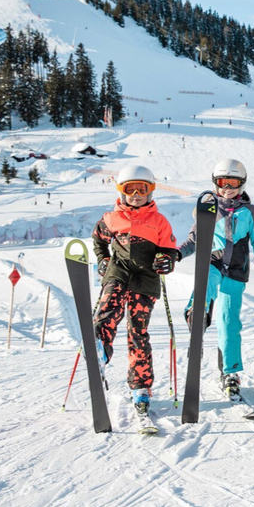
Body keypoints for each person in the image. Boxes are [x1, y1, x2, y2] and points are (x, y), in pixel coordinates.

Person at [178, 159, 254, 397]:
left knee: (229, 323)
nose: (227, 188)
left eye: (233, 182)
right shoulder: (207, 208)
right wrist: (176, 254)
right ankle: (197, 316)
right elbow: (194, 240)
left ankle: (230, 372)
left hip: (236, 271)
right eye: (223, 182)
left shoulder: (250, 213)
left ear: (242, 183)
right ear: (215, 183)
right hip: (211, 263)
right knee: (206, 287)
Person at [92, 164, 179, 414]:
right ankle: (99, 346)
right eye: (131, 189)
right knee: (109, 307)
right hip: (118, 270)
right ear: (122, 191)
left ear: (150, 191)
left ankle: (141, 385)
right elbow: (98, 238)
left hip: (146, 277)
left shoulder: (159, 221)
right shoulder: (111, 218)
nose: (136, 194)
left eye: (142, 189)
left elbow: (169, 251)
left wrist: (166, 260)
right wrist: (103, 258)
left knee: (137, 330)